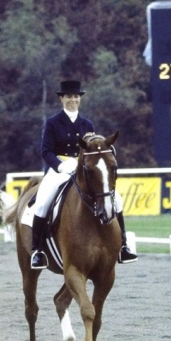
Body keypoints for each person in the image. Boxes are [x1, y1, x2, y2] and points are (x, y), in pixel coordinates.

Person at [31, 79, 138, 269]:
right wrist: (60, 166)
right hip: (60, 169)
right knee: (42, 202)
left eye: (75, 96)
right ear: (62, 99)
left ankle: (123, 246)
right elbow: (45, 151)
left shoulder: (86, 123)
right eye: (69, 96)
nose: (72, 100)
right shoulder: (53, 123)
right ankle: (37, 250)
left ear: (79, 99)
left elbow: (95, 147)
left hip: (83, 168)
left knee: (117, 199)